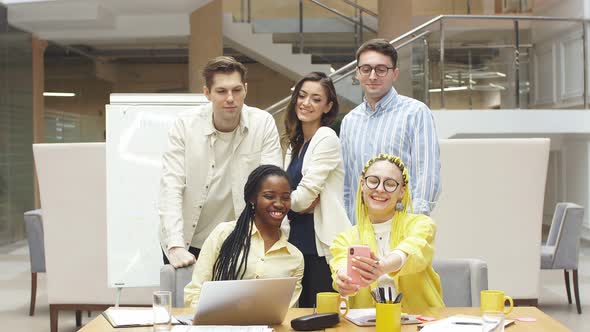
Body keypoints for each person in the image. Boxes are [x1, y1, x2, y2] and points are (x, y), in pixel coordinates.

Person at [158, 56, 282, 268]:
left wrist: (272, 238)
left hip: (240, 241)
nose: (230, 98)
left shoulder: (262, 123)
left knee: (241, 302)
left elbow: (272, 186)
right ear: (207, 93)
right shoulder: (185, 126)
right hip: (188, 241)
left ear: (245, 89)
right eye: (221, 91)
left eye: (236, 90)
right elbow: (171, 186)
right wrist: (175, 245)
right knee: (187, 301)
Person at [340, 38, 441, 223]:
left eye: (381, 69)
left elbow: (426, 174)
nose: (372, 76)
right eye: (366, 69)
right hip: (360, 229)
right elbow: (347, 183)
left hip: (401, 226)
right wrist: (348, 224)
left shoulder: (415, 113)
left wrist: (412, 224)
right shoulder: (349, 121)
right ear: (357, 73)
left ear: (394, 74)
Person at [329, 153, 444, 313]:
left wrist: (382, 267)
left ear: (402, 191)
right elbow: (340, 266)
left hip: (422, 322)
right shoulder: (345, 238)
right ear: (362, 185)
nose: (380, 189)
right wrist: (344, 280)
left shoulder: (421, 224)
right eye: (373, 181)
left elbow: (411, 250)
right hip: (367, 327)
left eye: (390, 184)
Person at [184, 165, 304, 308]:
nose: (279, 204)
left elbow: (286, 312)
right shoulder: (224, 234)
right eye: (269, 196)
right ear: (252, 199)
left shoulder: (295, 257)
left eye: (285, 197)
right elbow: (195, 292)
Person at [283, 72, 351, 307]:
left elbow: (301, 200)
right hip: (293, 241)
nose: (306, 103)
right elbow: (298, 199)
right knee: (293, 317)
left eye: (315, 99)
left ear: (327, 106)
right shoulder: (295, 142)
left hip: (319, 245)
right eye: (302, 96)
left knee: (320, 317)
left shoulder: (326, 137)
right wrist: (292, 200)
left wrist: (284, 200)